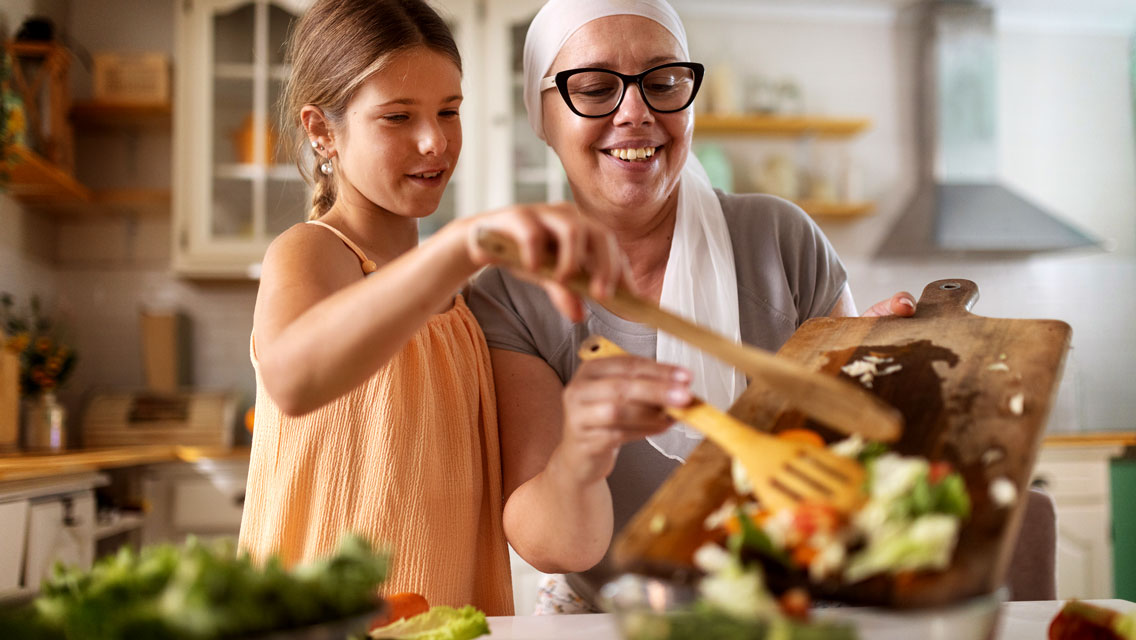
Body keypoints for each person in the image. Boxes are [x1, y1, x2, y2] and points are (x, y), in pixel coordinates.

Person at [468, 0, 917, 613]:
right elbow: (557, 548)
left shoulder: (779, 239)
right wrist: (580, 453)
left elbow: (853, 464)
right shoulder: (511, 294)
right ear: (539, 115)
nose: (636, 113)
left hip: (794, 604)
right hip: (607, 618)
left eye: (664, 82)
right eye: (596, 87)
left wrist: (881, 383)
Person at [237, 0, 628, 617]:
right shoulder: (311, 253)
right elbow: (292, 378)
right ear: (321, 131)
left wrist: (584, 447)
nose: (435, 141)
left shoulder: (468, 308)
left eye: (450, 111)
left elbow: (540, 521)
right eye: (397, 117)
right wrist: (464, 244)